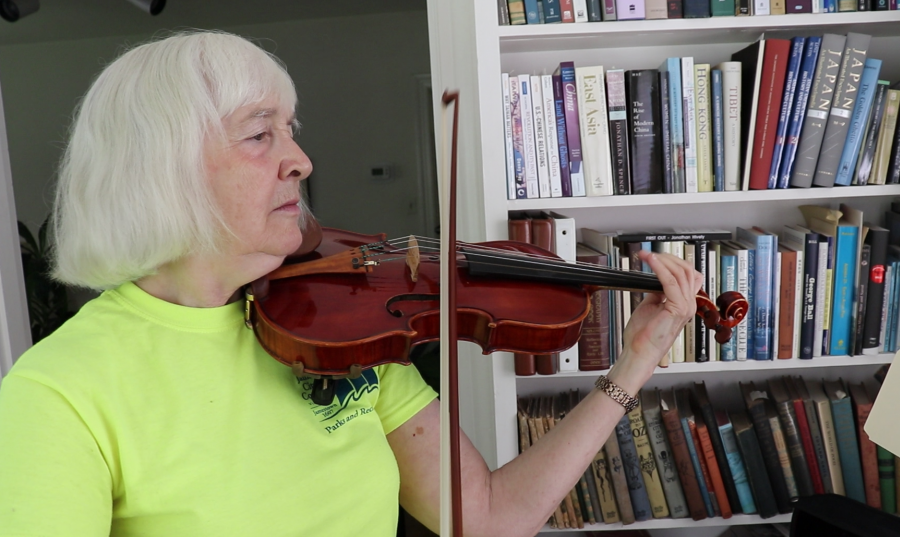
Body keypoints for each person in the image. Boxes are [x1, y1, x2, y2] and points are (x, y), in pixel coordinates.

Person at [0, 30, 702, 537]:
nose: (301, 160)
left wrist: (633, 361)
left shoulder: (343, 328)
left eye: (291, 130)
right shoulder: (59, 391)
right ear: (163, 169)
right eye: (259, 135)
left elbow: (486, 517)